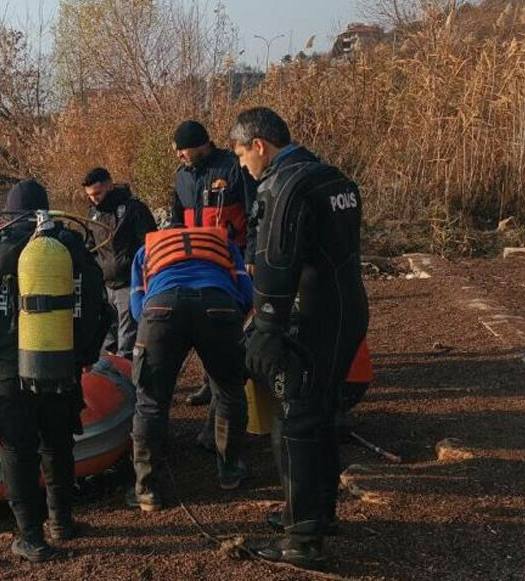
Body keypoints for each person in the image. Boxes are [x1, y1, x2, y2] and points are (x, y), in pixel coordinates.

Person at [230, 107, 368, 569]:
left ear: (259, 145)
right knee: (323, 411)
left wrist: (266, 330)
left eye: (242, 155)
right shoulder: (334, 179)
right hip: (346, 312)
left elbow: (275, 262)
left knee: (297, 421)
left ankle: (301, 540)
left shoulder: (283, 186)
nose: (244, 168)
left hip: (311, 317)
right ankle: (314, 512)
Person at [0, 179, 109, 562]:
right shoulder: (69, 246)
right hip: (59, 360)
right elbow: (99, 307)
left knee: (17, 449)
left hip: (4, 369)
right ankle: (62, 521)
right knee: (57, 441)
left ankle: (31, 537)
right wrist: (84, 354)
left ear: (8, 211)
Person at [128, 225, 253, 511]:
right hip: (218, 305)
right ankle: (230, 471)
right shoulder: (223, 244)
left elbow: (136, 308)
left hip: (161, 308)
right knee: (230, 390)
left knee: (150, 402)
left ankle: (146, 489)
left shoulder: (146, 249)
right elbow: (246, 293)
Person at [170, 120, 260, 407]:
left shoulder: (233, 167)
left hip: (233, 261)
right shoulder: (181, 177)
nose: (179, 156)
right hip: (199, 264)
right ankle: (208, 383)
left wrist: (251, 257)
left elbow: (255, 214)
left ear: (200, 145)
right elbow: (175, 220)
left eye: (182, 150)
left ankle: (235, 381)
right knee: (203, 325)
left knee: (235, 324)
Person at [83, 167, 156, 359]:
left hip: (129, 283)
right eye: (90, 195)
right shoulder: (92, 214)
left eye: (97, 193)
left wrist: (142, 274)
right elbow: (90, 247)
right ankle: (109, 368)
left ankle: (128, 373)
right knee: (107, 332)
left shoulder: (133, 209)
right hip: (105, 284)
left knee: (128, 334)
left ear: (110, 185)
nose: (94, 199)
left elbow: (149, 243)